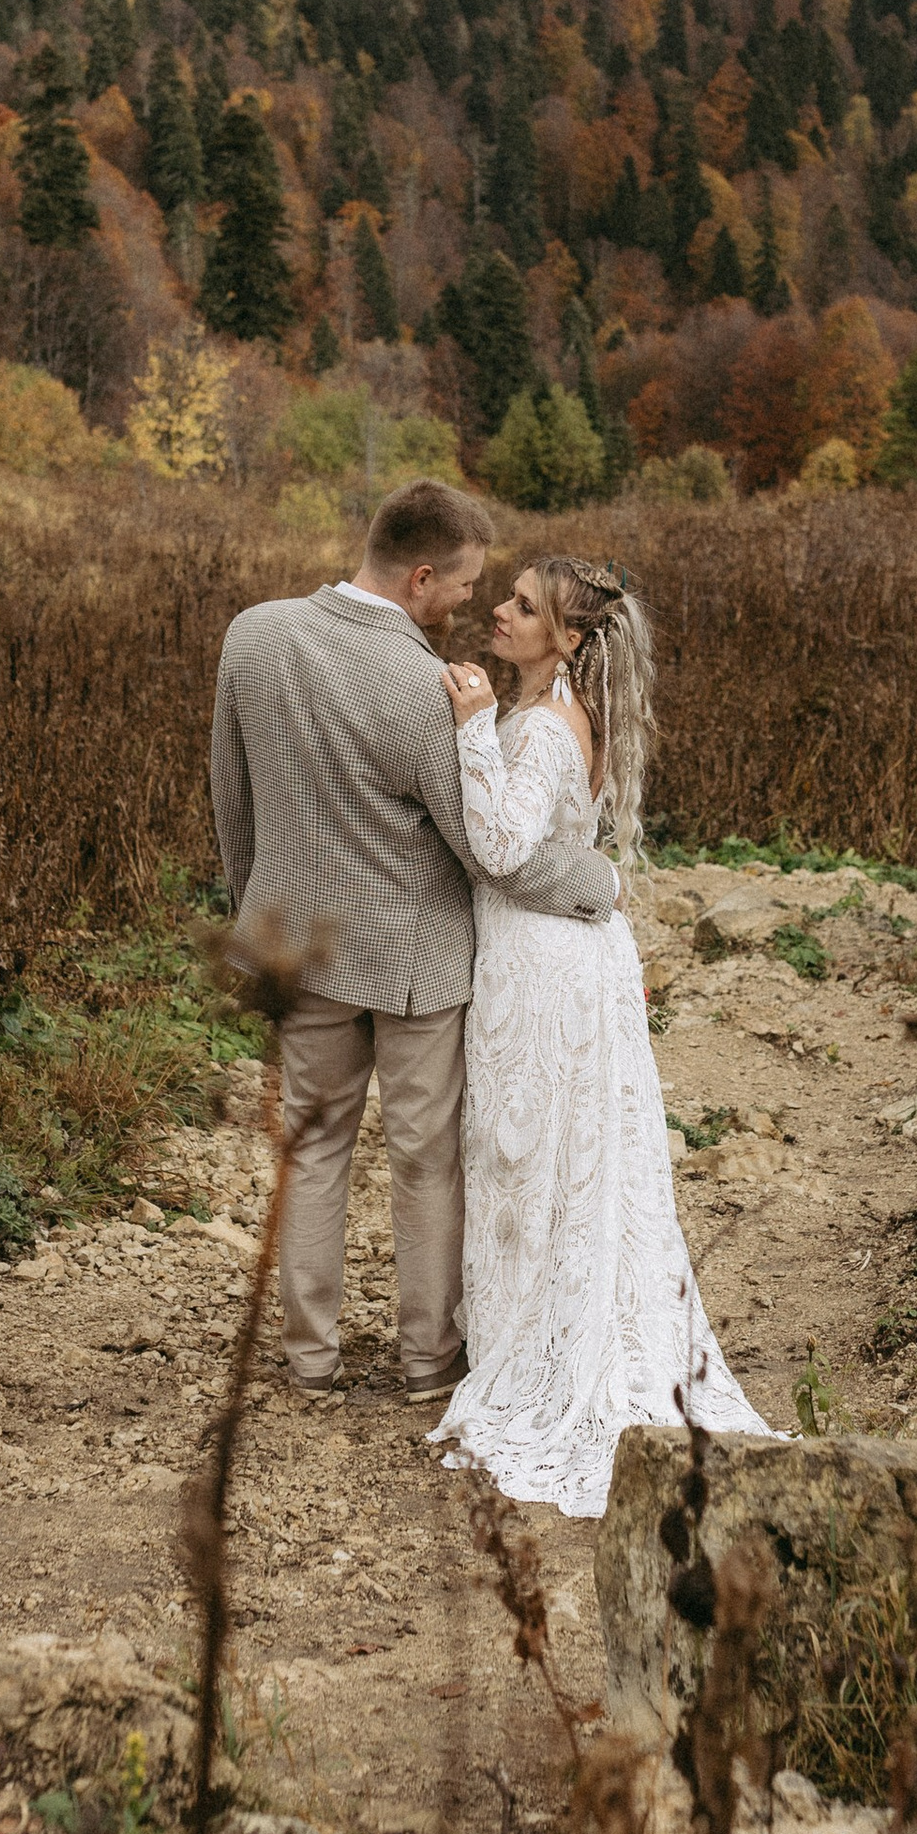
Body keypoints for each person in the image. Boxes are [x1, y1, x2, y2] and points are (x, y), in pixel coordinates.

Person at [209, 479, 620, 1402]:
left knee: (313, 1151)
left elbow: (230, 798)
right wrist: (598, 881)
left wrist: (256, 921)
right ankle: (429, 1360)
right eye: (465, 585)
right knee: (426, 1162)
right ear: (422, 577)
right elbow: (488, 850)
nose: (472, 603)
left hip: (298, 948)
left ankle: (310, 1359)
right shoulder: (423, 686)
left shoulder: (254, 636)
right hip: (417, 965)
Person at [431, 553, 772, 1516]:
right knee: (557, 1155)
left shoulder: (544, 727)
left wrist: (470, 730)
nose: (501, 611)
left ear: (569, 638)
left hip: (541, 963)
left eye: (524, 606)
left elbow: (503, 849)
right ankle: (535, 1332)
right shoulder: (567, 712)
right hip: (567, 955)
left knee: (530, 1154)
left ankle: (531, 1353)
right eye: (508, 597)